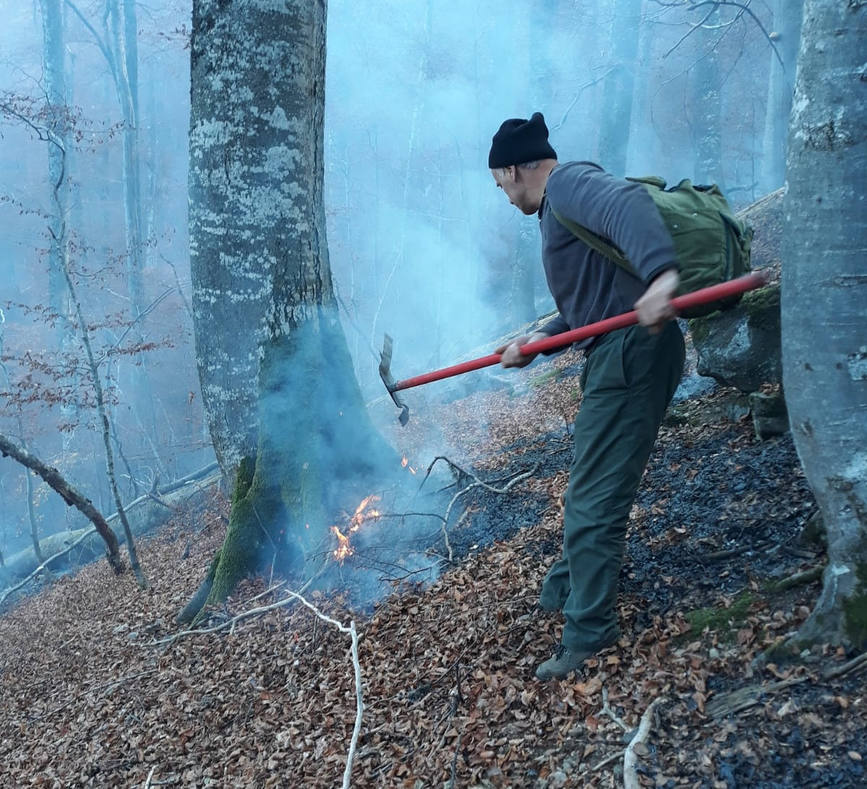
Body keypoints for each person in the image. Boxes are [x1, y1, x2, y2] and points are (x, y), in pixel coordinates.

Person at [488, 112, 685, 680]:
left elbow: (630, 206)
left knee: (595, 500)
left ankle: (589, 636)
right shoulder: (558, 207)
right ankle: (564, 589)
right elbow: (590, 309)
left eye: (498, 181)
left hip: (629, 354)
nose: (501, 194)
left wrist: (662, 277)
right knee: (588, 487)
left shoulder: (570, 184)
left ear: (514, 169)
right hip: (619, 348)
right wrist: (537, 342)